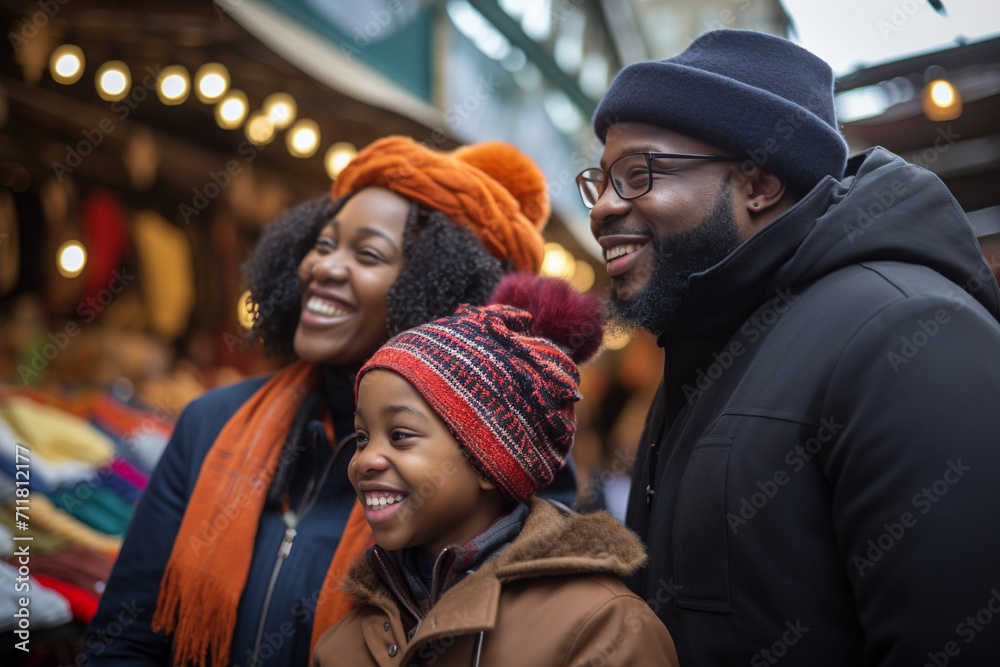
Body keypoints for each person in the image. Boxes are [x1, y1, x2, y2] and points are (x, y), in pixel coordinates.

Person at [577, 29, 1000, 667]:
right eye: (601, 180)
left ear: (760, 184)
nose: (603, 209)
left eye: (637, 175)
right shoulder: (705, 354)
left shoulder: (910, 331)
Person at [84, 136, 579, 666]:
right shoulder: (211, 422)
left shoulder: (491, 460)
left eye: (366, 254)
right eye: (323, 244)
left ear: (439, 290)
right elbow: (124, 639)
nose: (324, 268)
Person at [313, 273, 678, 667]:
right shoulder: (343, 639)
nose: (365, 459)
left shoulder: (601, 628)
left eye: (400, 435)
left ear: (488, 462)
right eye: (363, 437)